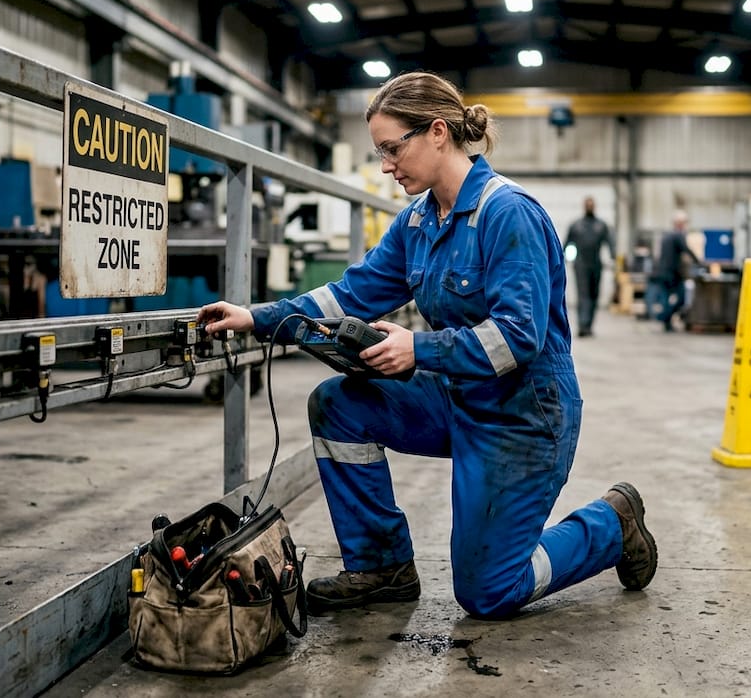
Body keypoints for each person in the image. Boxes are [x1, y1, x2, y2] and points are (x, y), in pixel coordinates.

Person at [196, 72, 657, 620]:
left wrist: (420, 350)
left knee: (489, 592)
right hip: (458, 396)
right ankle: (381, 565)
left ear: (438, 132)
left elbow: (519, 337)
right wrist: (257, 317)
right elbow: (351, 295)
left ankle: (612, 523)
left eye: (393, 149)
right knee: (338, 404)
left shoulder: (508, 214)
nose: (387, 165)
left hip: (523, 415)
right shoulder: (417, 221)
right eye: (380, 152)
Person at [564, 197, 614, 337]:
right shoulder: (576, 226)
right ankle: (583, 325)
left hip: (596, 264)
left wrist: (613, 257)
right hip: (581, 265)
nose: (589, 207)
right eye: (588, 205)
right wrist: (567, 259)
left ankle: (589, 325)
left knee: (594, 295)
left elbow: (610, 243)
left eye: (592, 205)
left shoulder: (601, 226)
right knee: (583, 295)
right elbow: (568, 244)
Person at [649, 211, 700, 332]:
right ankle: (663, 318)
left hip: (663, 272)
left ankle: (666, 322)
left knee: (667, 299)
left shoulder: (666, 235)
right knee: (681, 298)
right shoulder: (678, 235)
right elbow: (686, 249)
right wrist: (699, 262)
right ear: (679, 223)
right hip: (671, 273)